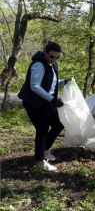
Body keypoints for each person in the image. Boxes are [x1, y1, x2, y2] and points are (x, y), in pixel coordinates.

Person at [18, 41, 70, 171]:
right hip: (33, 102)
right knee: (42, 129)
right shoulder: (38, 65)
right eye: (51, 56)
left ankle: (45, 149)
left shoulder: (52, 65)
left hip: (46, 101)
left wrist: (64, 82)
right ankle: (40, 161)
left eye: (57, 57)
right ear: (45, 52)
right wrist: (53, 99)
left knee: (59, 124)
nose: (53, 59)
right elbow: (35, 86)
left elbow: (50, 82)